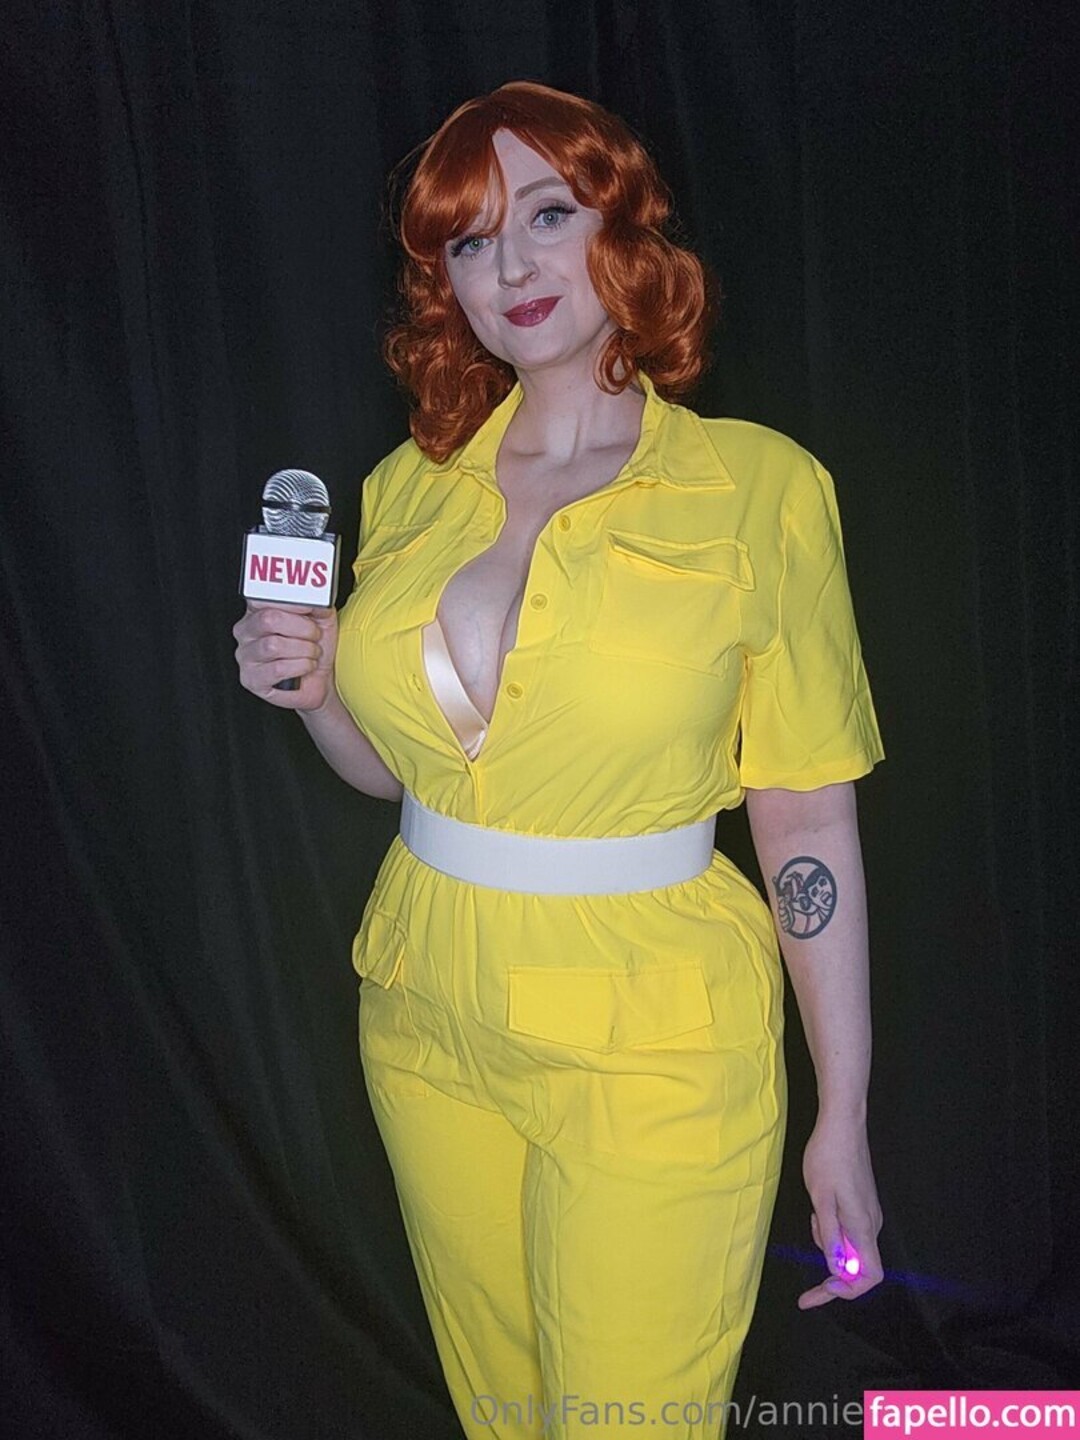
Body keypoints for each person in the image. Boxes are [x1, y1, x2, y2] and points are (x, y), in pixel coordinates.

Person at [234, 81, 885, 1440]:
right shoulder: (409, 489)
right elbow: (402, 775)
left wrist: (845, 1112)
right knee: (508, 1412)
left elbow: (807, 816)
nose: (512, 266)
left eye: (546, 214)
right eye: (470, 239)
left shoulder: (759, 491)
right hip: (425, 1012)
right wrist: (315, 692)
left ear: (624, 231)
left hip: (655, 1035)